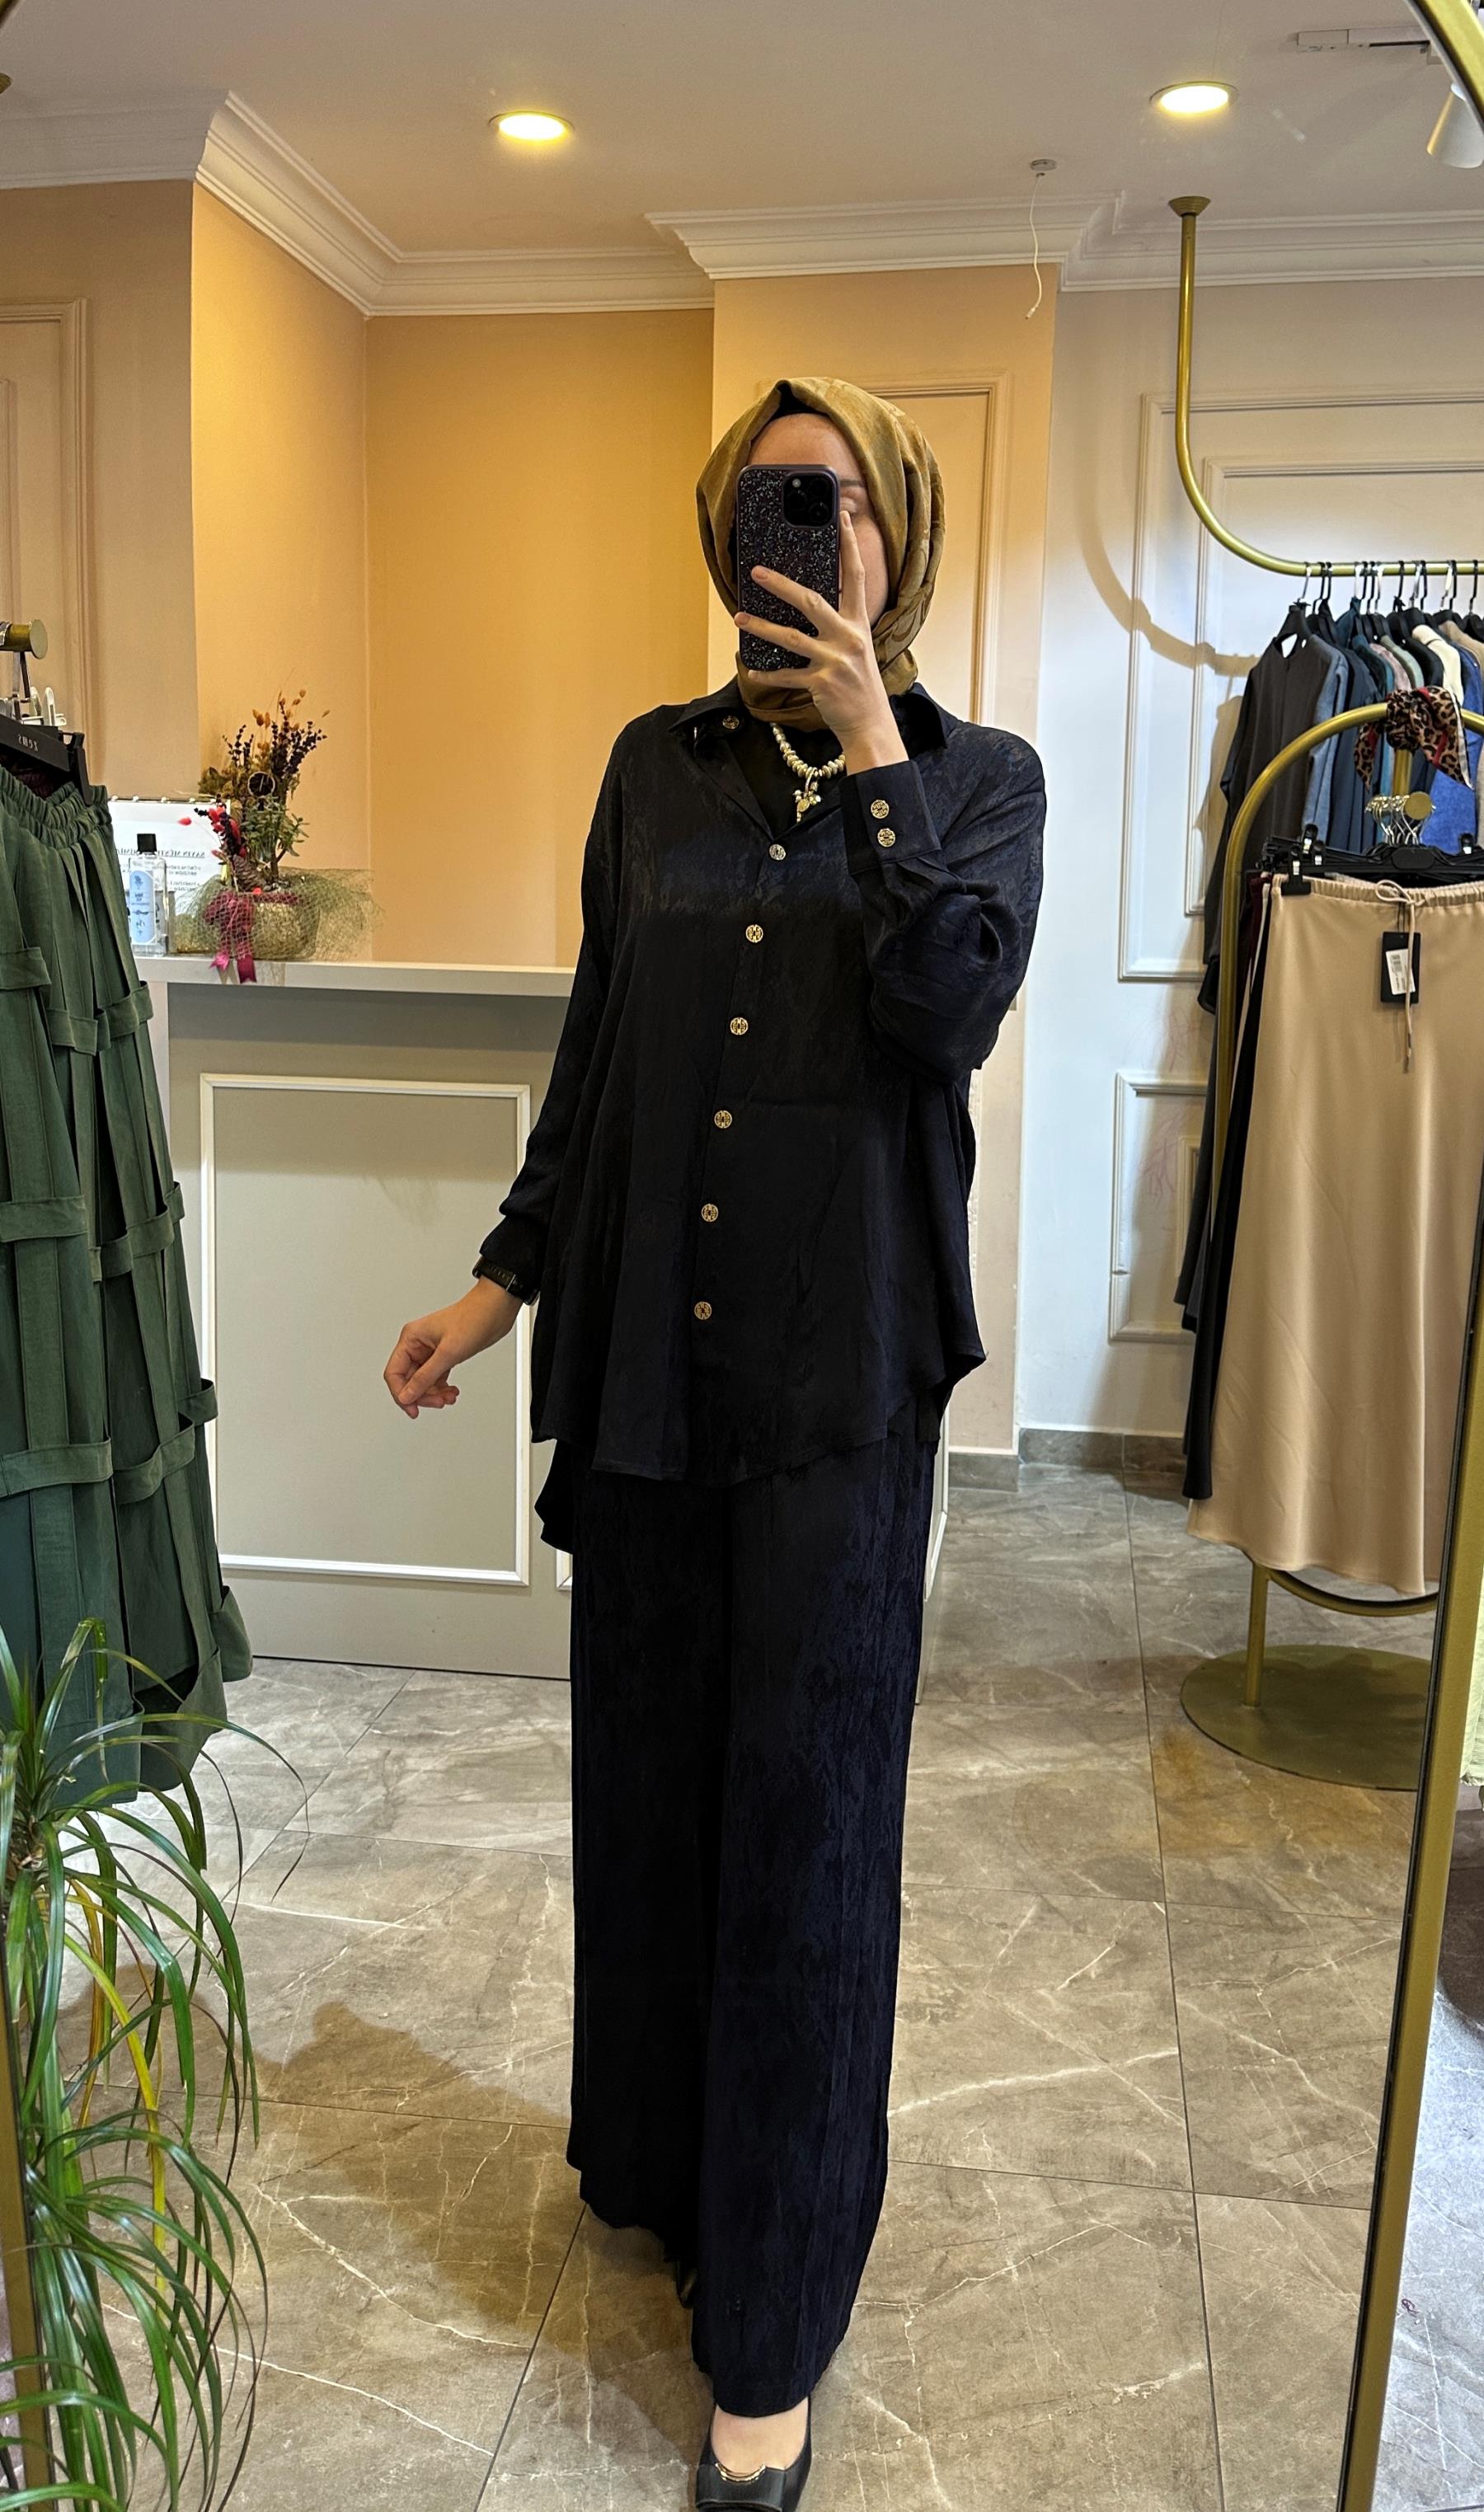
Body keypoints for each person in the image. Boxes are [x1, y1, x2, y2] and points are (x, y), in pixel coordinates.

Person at [383, 376, 1045, 2509]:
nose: (797, 527)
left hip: (841, 1404)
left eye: (832, 498)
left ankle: (768, 2333)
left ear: (897, 534)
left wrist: (872, 755)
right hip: (651, 1389)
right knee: (656, 1808)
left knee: (809, 1846)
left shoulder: (977, 784)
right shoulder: (647, 773)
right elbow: (601, 1059)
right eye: (766, 499)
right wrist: (497, 1284)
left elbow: (951, 1005)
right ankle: (669, 2175)